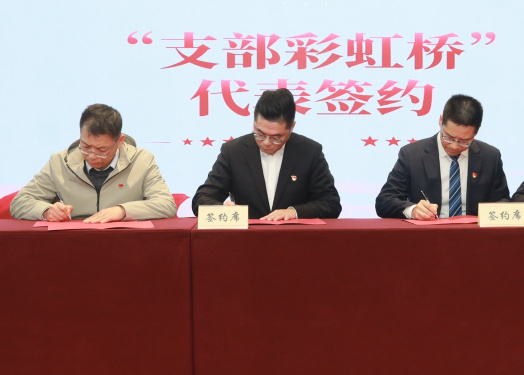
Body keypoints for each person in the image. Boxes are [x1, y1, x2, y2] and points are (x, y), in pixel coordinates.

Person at [10, 104, 176, 222]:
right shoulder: (59, 161)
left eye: (102, 149)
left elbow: (166, 204)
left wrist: (122, 210)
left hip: (125, 242)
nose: (92, 155)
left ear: (120, 142)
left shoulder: (142, 160)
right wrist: (46, 211)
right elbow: (20, 202)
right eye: (85, 146)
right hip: (74, 243)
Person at [192, 88, 341, 220]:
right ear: (254, 123)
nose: (266, 142)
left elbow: (331, 203)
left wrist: (294, 212)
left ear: (291, 127)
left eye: (276, 138)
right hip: (246, 238)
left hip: (294, 238)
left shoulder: (309, 151)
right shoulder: (234, 151)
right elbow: (201, 199)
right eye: (260, 134)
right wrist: (222, 210)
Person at [375, 94, 510, 220]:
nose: (455, 146)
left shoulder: (490, 157)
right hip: (428, 234)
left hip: (474, 234)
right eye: (449, 137)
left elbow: (502, 201)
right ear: (441, 120)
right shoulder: (412, 155)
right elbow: (384, 201)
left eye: (465, 141)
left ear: (477, 131)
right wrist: (413, 210)